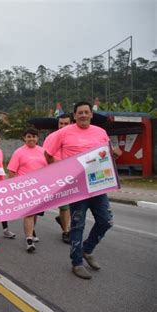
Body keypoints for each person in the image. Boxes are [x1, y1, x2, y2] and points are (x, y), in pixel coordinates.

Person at [43, 101, 121, 280]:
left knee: (106, 221)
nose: (84, 115)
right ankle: (76, 263)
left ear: (91, 115)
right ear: (74, 115)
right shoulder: (63, 132)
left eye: (86, 112)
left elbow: (107, 154)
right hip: (76, 187)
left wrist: (115, 154)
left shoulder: (100, 132)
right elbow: (48, 153)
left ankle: (87, 249)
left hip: (98, 184)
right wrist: (55, 167)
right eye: (80, 113)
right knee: (78, 225)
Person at [7, 128, 48, 253]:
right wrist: (13, 188)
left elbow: (50, 169)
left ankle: (32, 230)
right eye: (29, 136)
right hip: (24, 189)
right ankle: (29, 239)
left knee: (35, 213)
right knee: (29, 213)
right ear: (24, 138)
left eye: (34, 136)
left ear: (37, 138)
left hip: (40, 188)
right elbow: (11, 171)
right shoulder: (19, 152)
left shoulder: (43, 151)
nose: (31, 139)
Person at [44, 113, 73, 244]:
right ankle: (66, 231)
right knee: (65, 206)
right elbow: (45, 156)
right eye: (60, 123)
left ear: (72, 124)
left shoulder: (76, 138)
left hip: (75, 175)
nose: (62, 126)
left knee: (75, 205)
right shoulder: (51, 138)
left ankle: (62, 220)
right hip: (58, 176)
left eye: (66, 124)